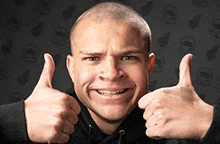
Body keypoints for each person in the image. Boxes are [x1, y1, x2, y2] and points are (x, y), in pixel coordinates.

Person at [0, 2, 220, 144]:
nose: (112, 73)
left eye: (128, 57)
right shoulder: (27, 128)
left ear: (149, 67)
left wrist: (212, 123)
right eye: (93, 58)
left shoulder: (191, 134)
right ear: (71, 68)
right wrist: (12, 122)